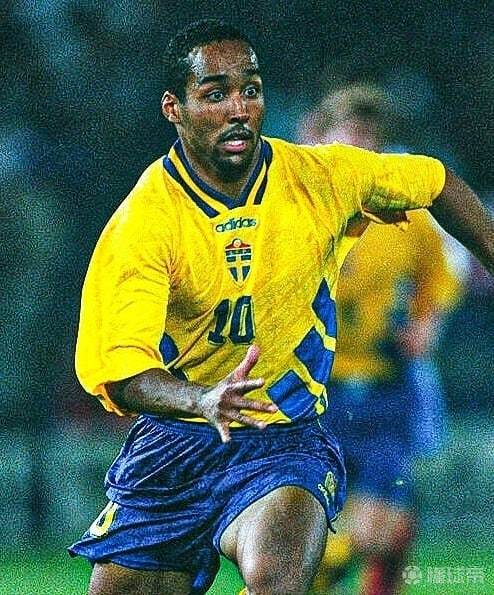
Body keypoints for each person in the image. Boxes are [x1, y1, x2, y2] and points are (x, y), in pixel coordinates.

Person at [68, 19, 494, 595]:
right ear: (174, 109)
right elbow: (122, 372)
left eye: (250, 90)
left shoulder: (320, 176)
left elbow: (437, 182)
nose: (238, 109)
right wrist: (202, 400)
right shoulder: (145, 222)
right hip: (175, 446)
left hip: (283, 435)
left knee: (282, 577)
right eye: (215, 95)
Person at [299, 83, 463, 594]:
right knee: (311, 534)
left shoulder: (407, 215)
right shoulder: (299, 210)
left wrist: (427, 323)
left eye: (370, 141)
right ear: (324, 139)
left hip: (385, 390)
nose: (362, 151)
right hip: (313, 394)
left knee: (379, 531)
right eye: (351, 137)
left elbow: (442, 276)